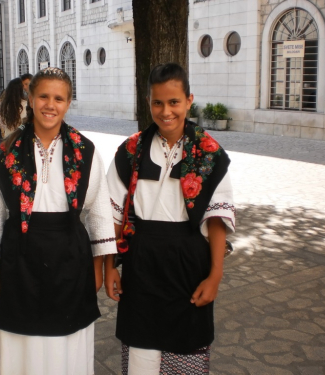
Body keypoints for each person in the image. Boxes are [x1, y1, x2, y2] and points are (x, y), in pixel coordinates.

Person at [0, 67, 117, 375]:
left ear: (69, 103)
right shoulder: (6, 153)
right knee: (22, 346)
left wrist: (102, 267)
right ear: (30, 99)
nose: (51, 104)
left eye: (59, 98)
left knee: (68, 344)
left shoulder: (85, 151)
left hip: (71, 263)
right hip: (19, 260)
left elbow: (100, 212)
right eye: (43, 96)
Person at [104, 62, 236, 375]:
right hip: (141, 265)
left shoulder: (209, 153)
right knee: (141, 357)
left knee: (185, 351)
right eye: (157, 102)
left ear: (189, 100)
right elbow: (112, 217)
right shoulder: (130, 151)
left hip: (188, 266)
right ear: (148, 102)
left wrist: (215, 275)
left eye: (174, 102)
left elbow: (216, 220)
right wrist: (110, 266)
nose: (166, 111)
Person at [0, 77, 27, 144]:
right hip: (20, 137)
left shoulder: (4, 105)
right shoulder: (24, 104)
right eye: (23, 85)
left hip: (8, 136)